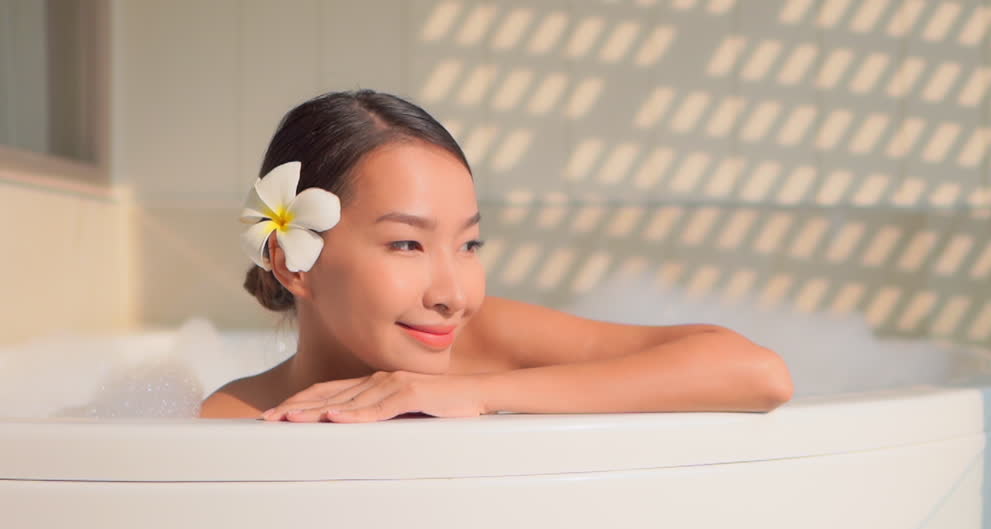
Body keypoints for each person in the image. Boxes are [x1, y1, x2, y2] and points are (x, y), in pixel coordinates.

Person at [200, 90, 792, 422]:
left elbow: (757, 372)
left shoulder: (483, 347)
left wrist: (478, 391)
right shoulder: (235, 418)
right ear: (292, 263)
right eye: (407, 243)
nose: (452, 295)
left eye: (468, 245)